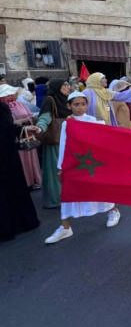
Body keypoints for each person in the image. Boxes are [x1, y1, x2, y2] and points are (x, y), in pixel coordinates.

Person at [44, 92, 121, 244]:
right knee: (69, 193)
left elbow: (103, 138)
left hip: (94, 163)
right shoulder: (67, 123)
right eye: (76, 104)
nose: (80, 107)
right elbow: (64, 145)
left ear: (87, 105)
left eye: (83, 104)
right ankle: (65, 227)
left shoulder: (93, 121)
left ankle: (113, 211)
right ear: (69, 106)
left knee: (100, 189)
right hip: (75, 164)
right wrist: (61, 167)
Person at [0, 102, 40, 241]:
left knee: (14, 188)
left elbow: (8, 128)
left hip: (9, 158)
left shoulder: (2, 107)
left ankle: (19, 223)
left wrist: (24, 128)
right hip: (7, 157)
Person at [36, 79, 72, 208]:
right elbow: (44, 118)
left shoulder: (67, 100)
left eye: (68, 85)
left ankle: (68, 195)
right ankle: (54, 199)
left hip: (67, 140)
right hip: (55, 141)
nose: (68, 87)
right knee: (55, 170)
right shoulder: (50, 100)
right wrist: (40, 127)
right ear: (57, 87)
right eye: (64, 85)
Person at [0, 84, 42, 189]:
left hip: (26, 134)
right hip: (15, 137)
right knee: (21, 159)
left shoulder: (19, 104)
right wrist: (21, 122)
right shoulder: (3, 108)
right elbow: (8, 124)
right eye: (7, 95)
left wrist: (28, 121)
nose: (11, 96)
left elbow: (29, 114)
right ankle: (26, 182)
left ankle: (34, 180)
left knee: (31, 156)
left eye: (11, 94)